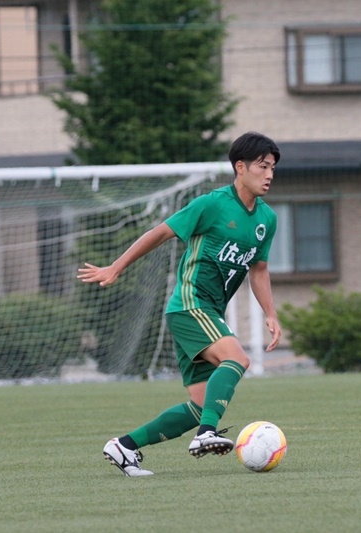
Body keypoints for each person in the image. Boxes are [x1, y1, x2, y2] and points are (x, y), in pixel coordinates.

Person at [77, 131, 282, 476]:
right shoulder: (211, 205)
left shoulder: (267, 219)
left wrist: (271, 314)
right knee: (237, 359)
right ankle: (206, 434)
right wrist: (116, 266)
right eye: (262, 166)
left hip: (209, 311)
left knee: (201, 405)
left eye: (273, 168)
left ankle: (124, 446)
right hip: (190, 303)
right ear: (240, 167)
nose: (269, 174)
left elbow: (258, 269)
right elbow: (160, 232)